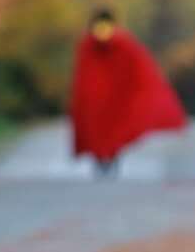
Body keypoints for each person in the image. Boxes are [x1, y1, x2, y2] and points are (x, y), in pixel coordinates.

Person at [69, 9, 188, 177]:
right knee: (95, 131)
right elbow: (82, 77)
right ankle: (99, 159)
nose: (102, 32)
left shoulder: (124, 44)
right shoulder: (87, 47)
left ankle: (111, 157)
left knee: (114, 131)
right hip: (95, 101)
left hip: (116, 100)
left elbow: (141, 70)